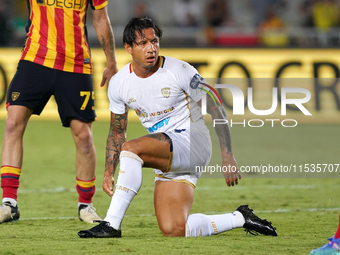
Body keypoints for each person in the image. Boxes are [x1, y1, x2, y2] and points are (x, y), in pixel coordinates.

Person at [78, 17, 277, 238]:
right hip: (168, 153)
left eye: (154, 41)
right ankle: (241, 218)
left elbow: (215, 107)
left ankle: (110, 225)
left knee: (131, 148)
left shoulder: (180, 70)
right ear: (128, 48)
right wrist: (108, 172)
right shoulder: (119, 84)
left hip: (193, 142)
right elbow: (116, 130)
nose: (151, 48)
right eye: (143, 43)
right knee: (174, 228)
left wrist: (228, 156)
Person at [0, 0, 117, 224]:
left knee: (83, 135)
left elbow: (101, 18)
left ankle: (86, 206)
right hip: (35, 57)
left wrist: (111, 62)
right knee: (13, 122)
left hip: (75, 63)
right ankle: (9, 203)